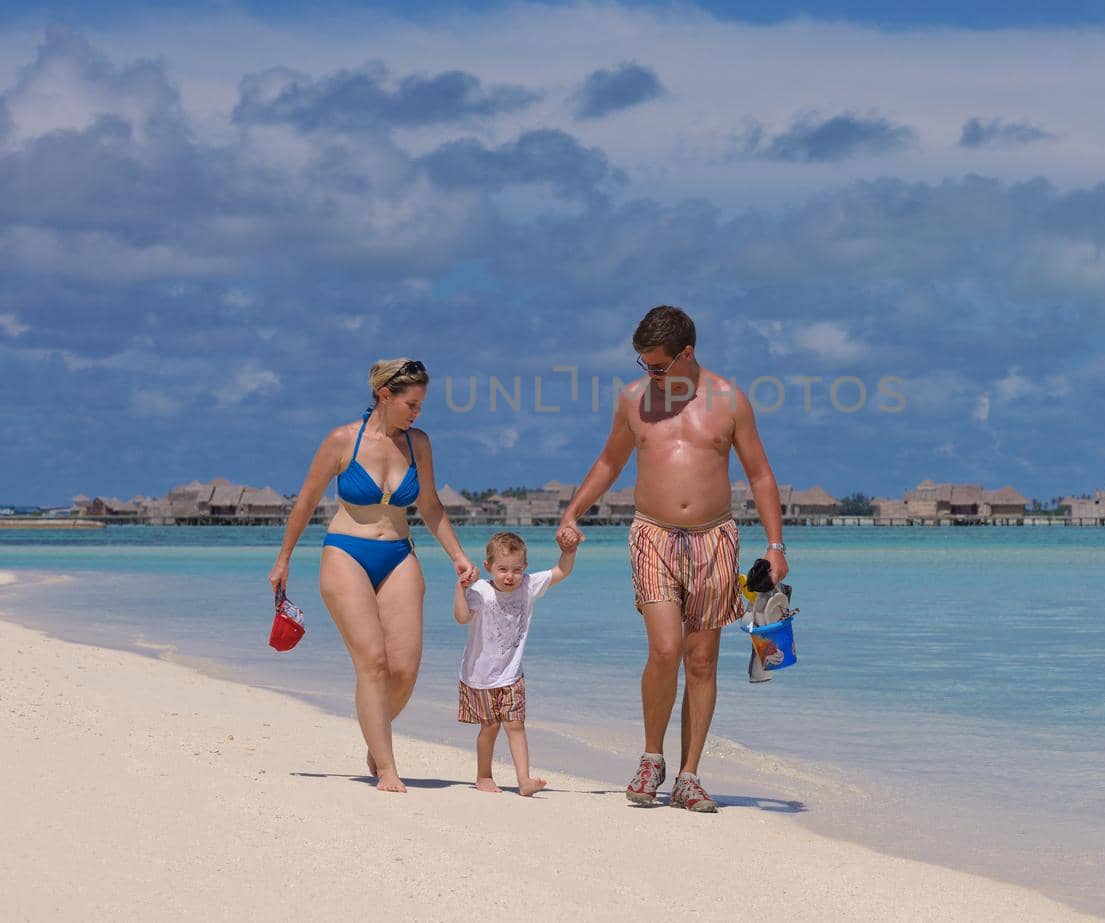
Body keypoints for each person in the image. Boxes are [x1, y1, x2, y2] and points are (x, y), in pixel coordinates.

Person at [556, 305, 790, 813]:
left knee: (701, 660)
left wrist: (776, 547)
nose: (650, 374)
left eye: (658, 365)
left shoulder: (729, 401)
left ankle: (689, 775)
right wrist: (572, 512)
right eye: (643, 363)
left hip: (714, 538)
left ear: (687, 354)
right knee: (665, 650)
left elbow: (761, 476)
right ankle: (650, 758)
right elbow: (609, 461)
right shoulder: (633, 400)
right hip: (653, 535)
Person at [268, 358, 479, 793]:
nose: (417, 412)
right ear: (386, 396)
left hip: (399, 553)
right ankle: (386, 767)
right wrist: (284, 558)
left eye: (421, 405)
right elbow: (306, 502)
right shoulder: (342, 441)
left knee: (404, 670)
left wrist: (457, 555)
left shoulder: (418, 443)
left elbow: (431, 505)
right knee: (373, 661)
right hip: (346, 551)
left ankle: (373, 731)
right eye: (411, 404)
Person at [453, 530, 578, 796]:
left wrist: (569, 550)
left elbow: (561, 571)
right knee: (490, 727)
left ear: (525, 568)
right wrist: (460, 589)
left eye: (516, 569)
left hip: (512, 674)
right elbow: (462, 618)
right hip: (480, 675)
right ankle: (483, 775)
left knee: (515, 725)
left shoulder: (528, 586)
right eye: (502, 569)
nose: (510, 576)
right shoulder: (480, 591)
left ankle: (524, 780)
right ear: (488, 567)